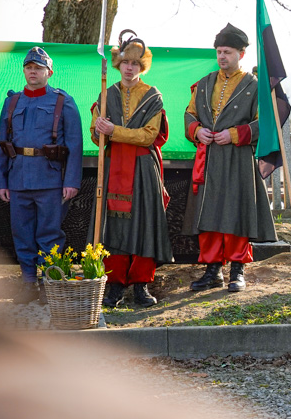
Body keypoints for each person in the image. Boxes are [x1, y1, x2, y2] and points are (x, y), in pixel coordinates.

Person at [183, 24, 277, 293]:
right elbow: (189, 115)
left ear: (242, 54)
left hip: (238, 159)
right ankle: (213, 270)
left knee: (237, 213)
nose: (222, 56)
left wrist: (235, 134)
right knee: (209, 212)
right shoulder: (204, 83)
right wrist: (197, 130)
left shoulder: (255, 86)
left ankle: (237, 270)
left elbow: (266, 124)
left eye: (227, 52)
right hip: (209, 157)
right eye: (219, 52)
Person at [90, 31, 173, 307]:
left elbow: (149, 135)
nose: (130, 68)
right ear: (118, 64)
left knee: (143, 224)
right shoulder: (105, 93)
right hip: (113, 167)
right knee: (112, 225)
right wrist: (98, 130)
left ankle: (141, 284)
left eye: (135, 64)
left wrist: (114, 130)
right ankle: (114, 285)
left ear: (142, 67)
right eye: (126, 62)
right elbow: (94, 133)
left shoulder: (153, 97)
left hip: (143, 169)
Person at [0, 47, 83, 304]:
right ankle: (28, 283)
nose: (33, 72)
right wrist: (1, 181)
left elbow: (75, 146)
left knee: (50, 234)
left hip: (51, 179)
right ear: (24, 71)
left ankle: (50, 284)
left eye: (38, 68)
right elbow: (2, 143)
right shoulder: (12, 102)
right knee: (21, 233)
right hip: (18, 178)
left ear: (49, 72)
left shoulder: (62, 101)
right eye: (29, 68)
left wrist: (71, 182)